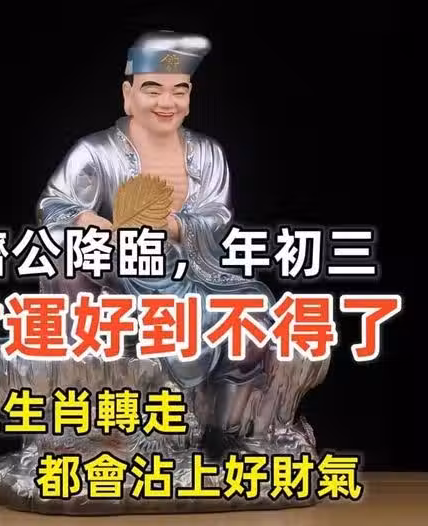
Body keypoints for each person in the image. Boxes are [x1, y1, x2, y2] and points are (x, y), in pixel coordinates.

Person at [37, 31, 324, 458]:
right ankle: (118, 428)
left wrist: (174, 226)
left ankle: (225, 433)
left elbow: (217, 220)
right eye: (153, 89)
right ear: (128, 95)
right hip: (121, 276)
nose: (166, 102)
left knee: (250, 316)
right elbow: (53, 208)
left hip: (193, 275)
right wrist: (85, 219)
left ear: (190, 97)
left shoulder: (208, 154)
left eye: (179, 90)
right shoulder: (94, 152)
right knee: (74, 267)